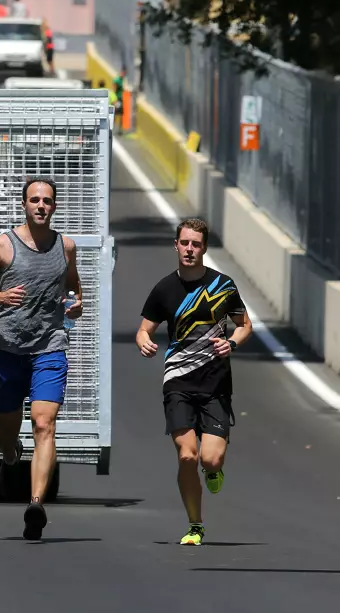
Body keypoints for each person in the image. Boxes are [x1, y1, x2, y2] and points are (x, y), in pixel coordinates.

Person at [0, 177, 82, 541]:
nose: (41, 206)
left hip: (50, 345)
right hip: (8, 347)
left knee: (44, 422)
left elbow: (74, 288)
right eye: (34, 200)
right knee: (9, 428)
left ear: (55, 206)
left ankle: (35, 504)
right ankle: (10, 455)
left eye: (47, 200)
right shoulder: (3, 244)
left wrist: (76, 305)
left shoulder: (66, 246)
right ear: (25, 206)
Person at [135, 218, 253, 546]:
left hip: (215, 383)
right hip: (178, 382)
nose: (189, 249)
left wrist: (232, 343)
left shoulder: (222, 286)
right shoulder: (164, 289)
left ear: (204, 248)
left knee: (209, 459)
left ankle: (214, 470)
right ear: (176, 245)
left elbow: (245, 325)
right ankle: (195, 524)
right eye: (184, 243)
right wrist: (143, 339)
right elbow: (145, 327)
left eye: (196, 244)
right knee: (187, 455)